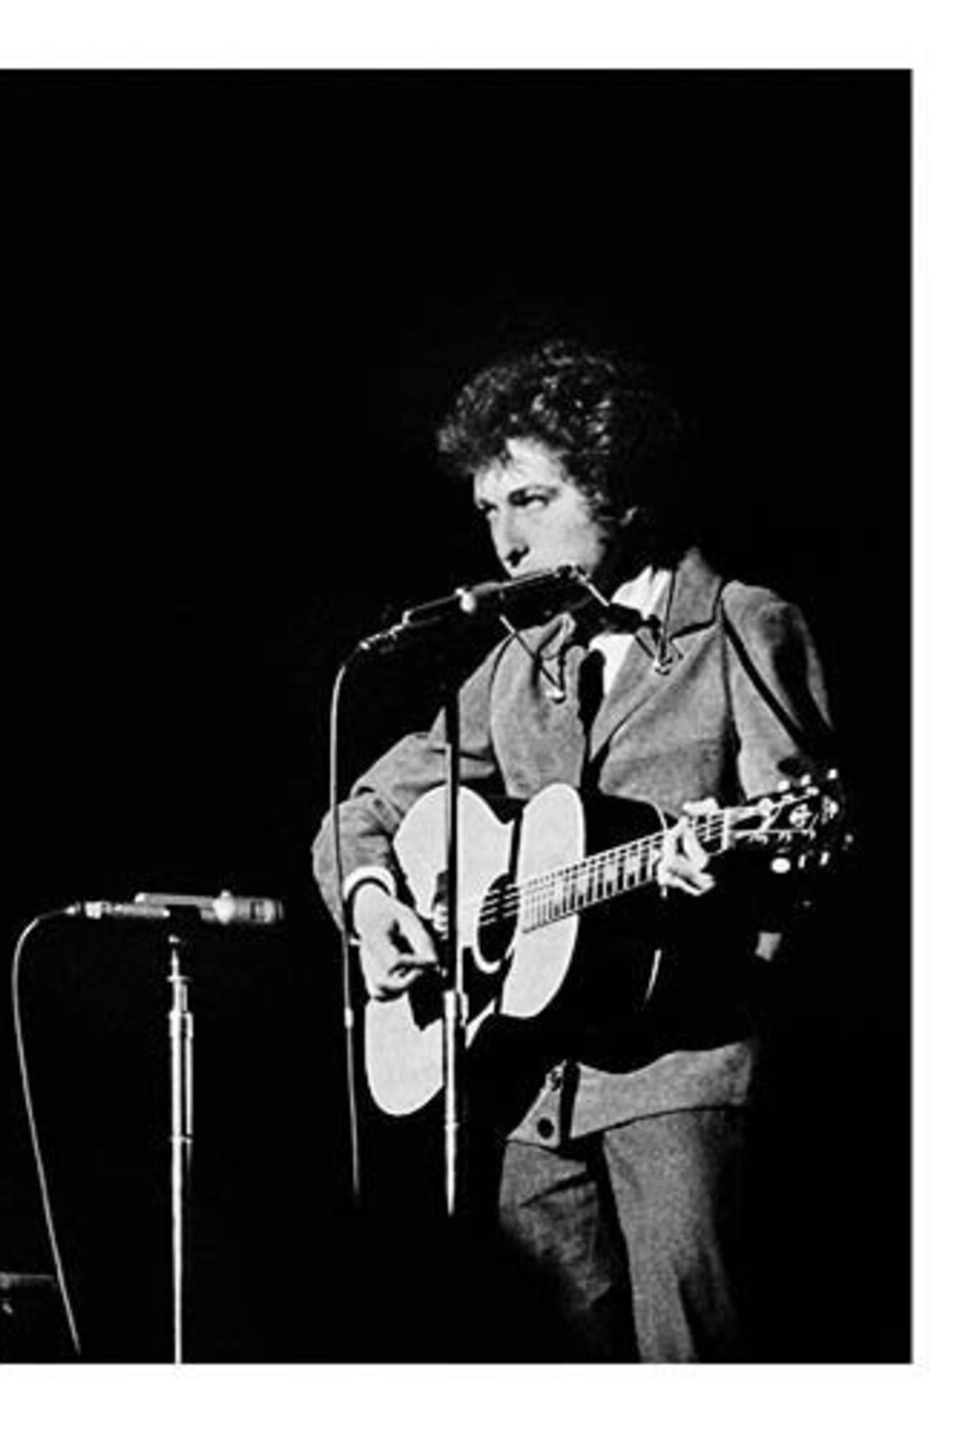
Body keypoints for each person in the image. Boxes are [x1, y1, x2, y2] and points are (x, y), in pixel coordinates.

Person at [312, 339, 834, 1361]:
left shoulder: (739, 626)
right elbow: (360, 811)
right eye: (488, 512)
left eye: (531, 501)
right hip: (527, 1089)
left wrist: (716, 887)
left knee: (691, 1361)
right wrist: (377, 907)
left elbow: (812, 836)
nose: (504, 541)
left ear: (616, 485)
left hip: (677, 1071)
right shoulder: (518, 661)